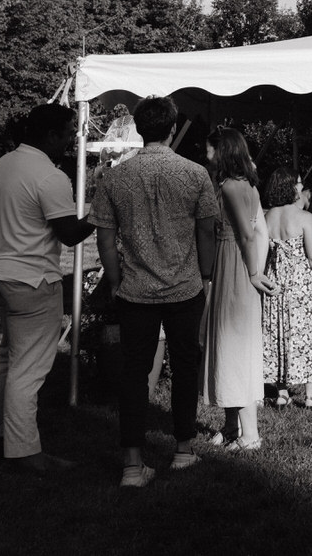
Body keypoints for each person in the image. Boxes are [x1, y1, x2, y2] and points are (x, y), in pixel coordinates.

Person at [92, 96, 218, 489]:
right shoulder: (195, 173)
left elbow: (106, 239)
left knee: (134, 374)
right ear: (171, 126)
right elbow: (206, 230)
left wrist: (114, 281)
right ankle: (183, 449)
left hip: (135, 290)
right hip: (184, 288)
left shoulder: (114, 177)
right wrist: (207, 275)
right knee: (185, 368)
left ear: (139, 129)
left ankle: (132, 462)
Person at [0, 103, 93, 472]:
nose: (70, 140)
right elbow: (70, 234)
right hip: (33, 279)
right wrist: (100, 213)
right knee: (28, 371)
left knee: (10, 360)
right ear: (50, 135)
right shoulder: (49, 176)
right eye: (67, 133)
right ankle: (26, 452)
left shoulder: (1, 166)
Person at [202, 127, 277, 450]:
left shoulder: (232, 188)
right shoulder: (245, 185)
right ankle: (232, 426)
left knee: (234, 349)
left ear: (222, 152)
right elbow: (262, 232)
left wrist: (253, 272)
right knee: (227, 347)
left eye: (209, 150)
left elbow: (248, 234)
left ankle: (250, 435)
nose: (205, 155)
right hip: (234, 265)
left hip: (234, 266)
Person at [261, 166, 312, 409]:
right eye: (298, 183)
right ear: (289, 187)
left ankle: (282, 392)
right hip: (302, 283)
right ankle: (311, 396)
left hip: (275, 282)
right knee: (309, 335)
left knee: (279, 333)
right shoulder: (306, 218)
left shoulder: (267, 218)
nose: (301, 187)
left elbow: (263, 255)